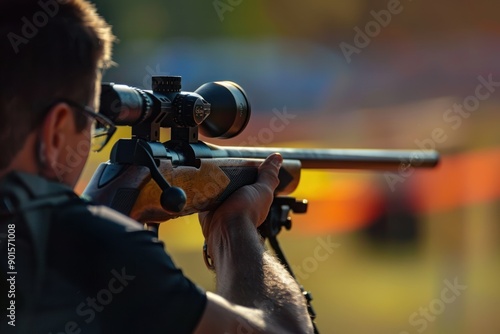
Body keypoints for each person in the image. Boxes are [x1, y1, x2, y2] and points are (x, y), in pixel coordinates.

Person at [0, 0, 313, 333]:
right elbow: (285, 330)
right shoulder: (86, 242)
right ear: (57, 130)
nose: (93, 137)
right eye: (93, 124)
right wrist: (233, 228)